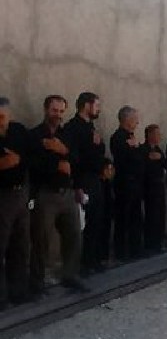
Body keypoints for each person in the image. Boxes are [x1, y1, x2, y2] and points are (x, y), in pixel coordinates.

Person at [28, 95, 87, 293]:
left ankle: (70, 275)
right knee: (41, 240)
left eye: (61, 111)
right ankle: (37, 282)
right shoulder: (35, 135)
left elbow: (77, 160)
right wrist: (56, 166)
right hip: (46, 193)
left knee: (74, 236)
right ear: (46, 110)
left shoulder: (67, 135)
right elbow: (32, 164)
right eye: (55, 110)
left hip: (67, 192)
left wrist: (62, 150)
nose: (58, 115)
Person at [63, 91, 106, 274]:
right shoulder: (72, 128)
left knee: (96, 221)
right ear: (87, 105)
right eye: (96, 105)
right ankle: (79, 265)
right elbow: (75, 159)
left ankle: (92, 260)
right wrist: (78, 186)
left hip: (95, 180)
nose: (99, 109)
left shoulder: (91, 128)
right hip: (82, 180)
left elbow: (98, 153)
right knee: (81, 225)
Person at [0, 97, 32, 306]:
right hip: (2, 196)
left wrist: (18, 160)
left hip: (20, 194)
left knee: (20, 246)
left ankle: (18, 292)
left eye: (2, 117)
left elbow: (32, 156)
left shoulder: (18, 131)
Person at [110, 106, 145, 260]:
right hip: (125, 183)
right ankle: (121, 252)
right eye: (135, 119)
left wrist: (136, 147)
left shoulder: (132, 138)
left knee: (136, 217)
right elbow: (125, 159)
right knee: (123, 218)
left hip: (135, 183)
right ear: (127, 120)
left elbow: (142, 157)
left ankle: (135, 250)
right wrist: (134, 149)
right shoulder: (118, 137)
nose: (137, 122)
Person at [141, 124, 166, 254]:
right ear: (150, 135)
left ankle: (159, 241)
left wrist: (160, 158)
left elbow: (166, 163)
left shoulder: (158, 149)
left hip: (159, 185)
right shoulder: (143, 149)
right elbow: (141, 167)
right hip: (149, 187)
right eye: (157, 134)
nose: (159, 136)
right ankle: (150, 244)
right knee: (152, 215)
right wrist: (149, 158)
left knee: (161, 214)